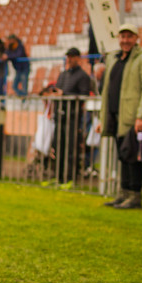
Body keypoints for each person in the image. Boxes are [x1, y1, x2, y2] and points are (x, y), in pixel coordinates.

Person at [99, 24, 142, 209]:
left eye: (129, 37)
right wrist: (103, 119)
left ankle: (134, 195)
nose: (125, 40)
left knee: (133, 157)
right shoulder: (114, 59)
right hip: (116, 116)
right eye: (122, 37)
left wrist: (141, 116)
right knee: (123, 156)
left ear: (136, 38)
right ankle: (123, 193)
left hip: (133, 118)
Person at [53, 47, 92, 184]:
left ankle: (70, 178)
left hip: (73, 118)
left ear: (78, 58)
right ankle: (58, 177)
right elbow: (58, 90)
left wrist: (64, 95)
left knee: (70, 149)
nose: (69, 59)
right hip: (60, 116)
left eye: (72, 56)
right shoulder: (63, 74)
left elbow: (83, 95)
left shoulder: (83, 76)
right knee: (58, 147)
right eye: (68, 56)